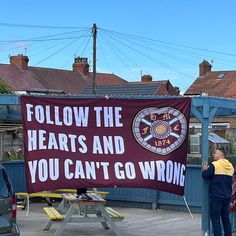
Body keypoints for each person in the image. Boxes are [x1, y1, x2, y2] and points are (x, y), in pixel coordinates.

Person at [202, 148, 234, 236]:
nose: (213, 154)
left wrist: (205, 169)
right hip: (227, 197)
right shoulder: (230, 166)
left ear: (220, 154)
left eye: (215, 153)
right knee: (226, 219)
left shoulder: (215, 165)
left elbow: (205, 175)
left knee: (216, 220)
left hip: (216, 197)